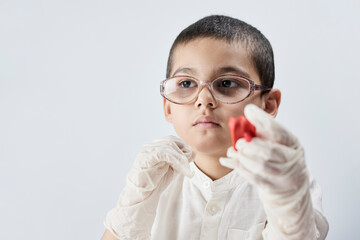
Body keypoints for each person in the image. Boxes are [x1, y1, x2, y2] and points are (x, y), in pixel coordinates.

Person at [100, 15, 329, 240]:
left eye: (227, 83)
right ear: (168, 106)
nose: (204, 100)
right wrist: (130, 214)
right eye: (186, 83)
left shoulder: (291, 186)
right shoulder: (150, 183)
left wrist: (289, 205)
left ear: (268, 105)